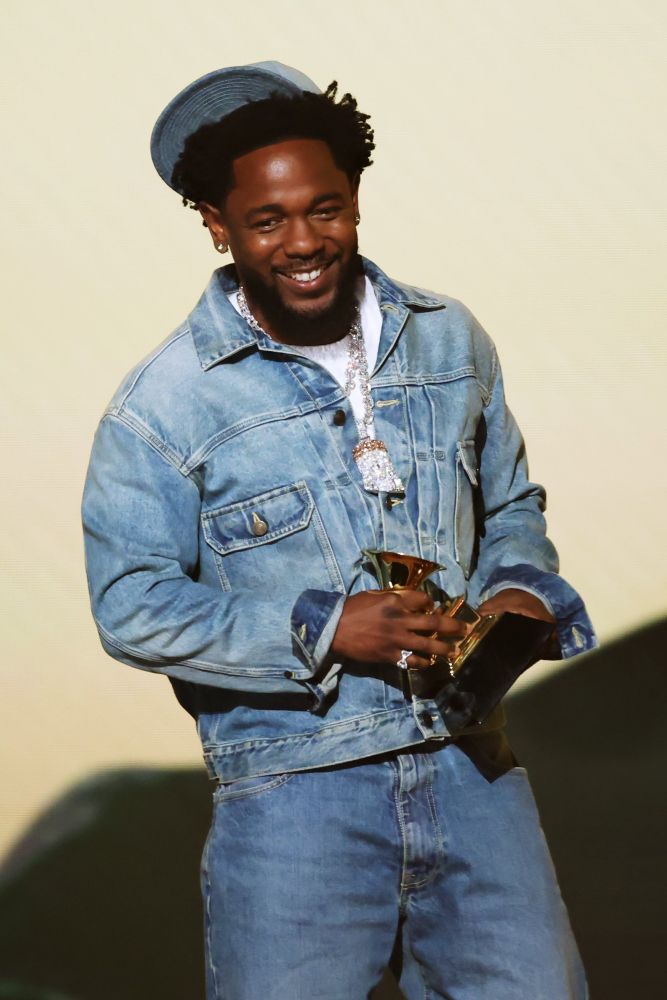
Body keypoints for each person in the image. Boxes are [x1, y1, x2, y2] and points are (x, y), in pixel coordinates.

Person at [82, 61, 596, 999]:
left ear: (354, 197)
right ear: (216, 223)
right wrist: (325, 626)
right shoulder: (162, 408)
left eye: (325, 209)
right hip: (291, 796)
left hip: (472, 766)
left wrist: (518, 588)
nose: (302, 242)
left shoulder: (449, 341)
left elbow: (512, 504)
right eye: (266, 220)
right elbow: (131, 607)